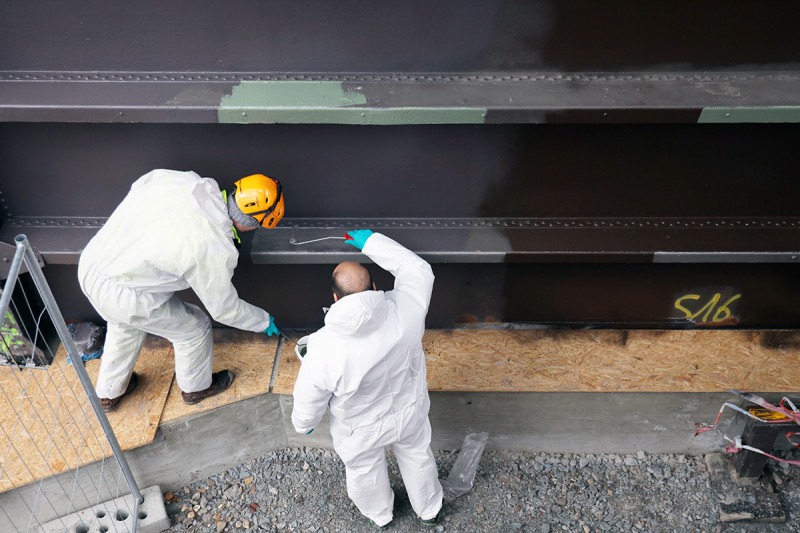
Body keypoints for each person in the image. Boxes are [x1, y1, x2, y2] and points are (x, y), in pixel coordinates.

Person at [78, 169, 284, 412]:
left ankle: (108, 393)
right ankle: (196, 388)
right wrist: (262, 321)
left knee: (124, 325)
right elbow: (224, 309)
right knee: (193, 327)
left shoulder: (182, 181)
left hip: (93, 263)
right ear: (255, 223)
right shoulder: (213, 247)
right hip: (126, 294)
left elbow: (140, 186)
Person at [291, 229, 443, 529]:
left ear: (335, 298)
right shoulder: (406, 311)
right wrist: (371, 242)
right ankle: (429, 510)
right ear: (375, 286)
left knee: (363, 470)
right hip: (409, 410)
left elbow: (310, 397)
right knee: (417, 456)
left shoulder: (322, 347)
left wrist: (304, 425)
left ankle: (381, 515)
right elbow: (417, 269)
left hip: (359, 429)